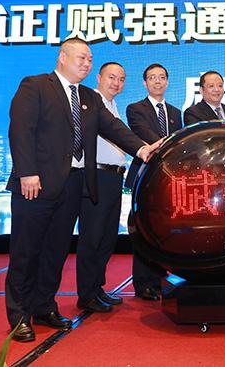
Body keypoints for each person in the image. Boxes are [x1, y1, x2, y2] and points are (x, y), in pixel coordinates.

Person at [5, 38, 161, 342]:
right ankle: (19, 315)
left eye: (90, 59)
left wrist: (142, 149)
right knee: (27, 251)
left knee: (56, 251)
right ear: (62, 57)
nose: (87, 64)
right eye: (82, 58)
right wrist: (27, 172)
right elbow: (20, 130)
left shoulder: (89, 97)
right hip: (36, 184)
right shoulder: (36, 85)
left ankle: (44, 307)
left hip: (74, 185)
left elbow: (113, 129)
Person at [124, 63, 183, 301]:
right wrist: (168, 146)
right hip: (144, 176)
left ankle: (160, 279)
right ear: (145, 83)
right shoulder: (135, 109)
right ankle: (143, 283)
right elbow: (144, 135)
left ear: (167, 82)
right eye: (152, 78)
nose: (157, 82)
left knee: (163, 230)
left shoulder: (175, 112)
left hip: (168, 179)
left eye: (161, 77)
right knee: (144, 229)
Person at [75, 62, 129, 314]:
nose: (116, 83)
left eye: (121, 79)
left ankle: (97, 288)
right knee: (92, 237)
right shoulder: (91, 103)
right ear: (98, 77)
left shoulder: (113, 105)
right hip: (96, 175)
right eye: (111, 77)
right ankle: (86, 294)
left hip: (114, 178)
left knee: (107, 237)